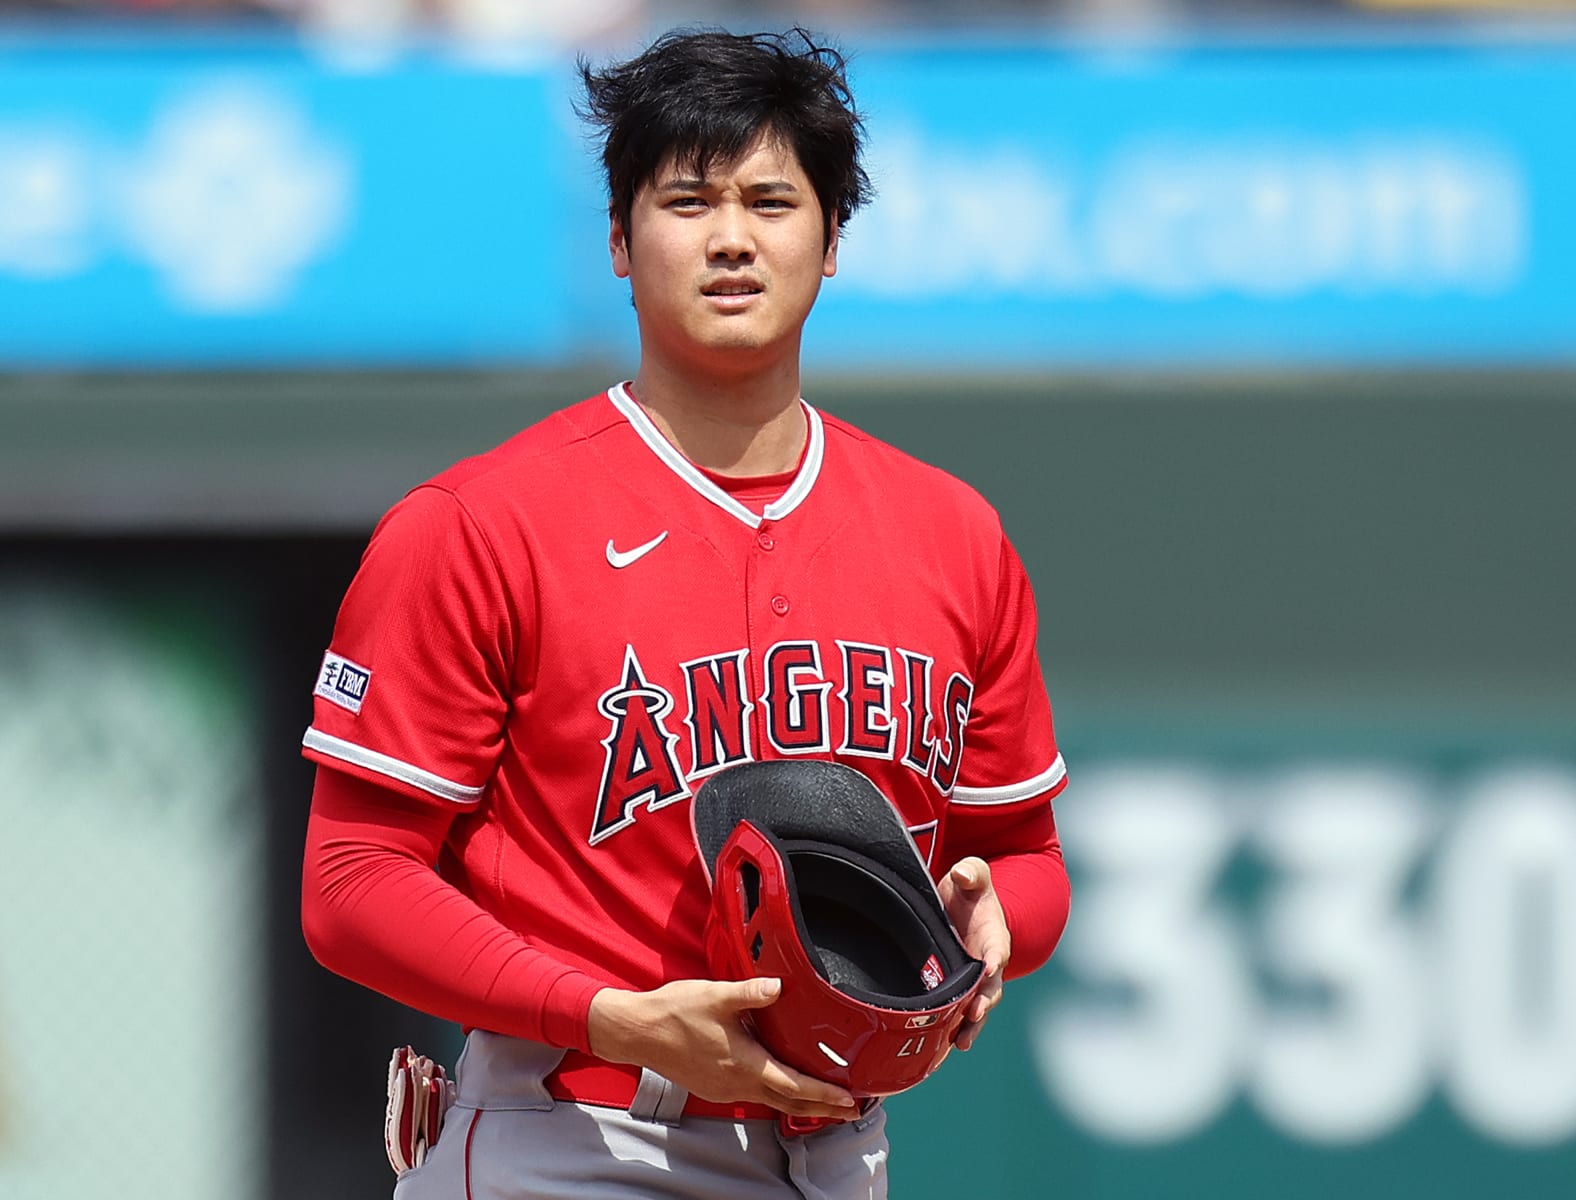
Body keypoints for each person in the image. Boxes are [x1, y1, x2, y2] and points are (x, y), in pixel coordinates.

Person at [300, 26, 1070, 1199]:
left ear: (829, 244)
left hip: (843, 1154)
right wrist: (607, 1016)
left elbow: (1019, 854)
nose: (730, 238)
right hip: (576, 1138)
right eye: (686, 199)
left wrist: (999, 920)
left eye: (772, 200)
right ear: (617, 239)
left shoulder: (953, 534)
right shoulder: (478, 525)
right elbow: (352, 881)